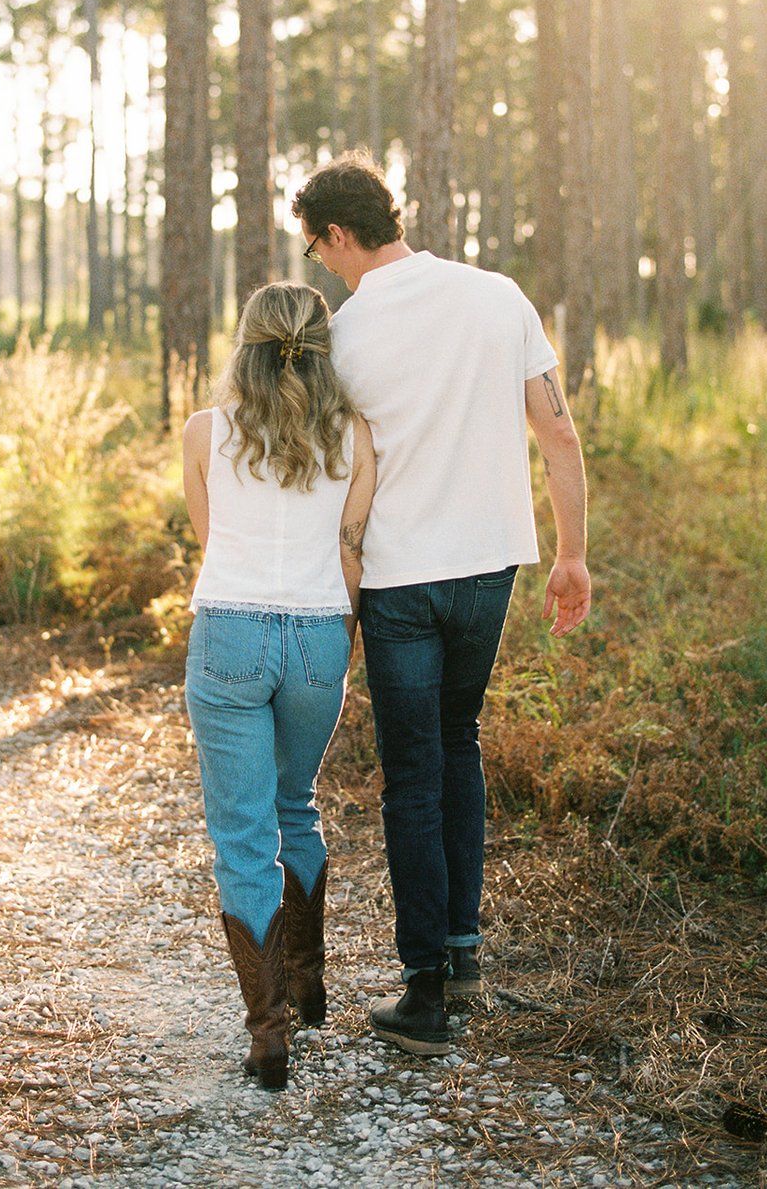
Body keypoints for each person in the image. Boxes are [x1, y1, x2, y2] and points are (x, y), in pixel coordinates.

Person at [292, 150, 590, 1057]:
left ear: (340, 234)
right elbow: (558, 429)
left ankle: (425, 992)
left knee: (412, 772)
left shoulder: (343, 336)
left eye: (317, 249)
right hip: (492, 563)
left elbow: (332, 476)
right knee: (459, 743)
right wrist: (573, 553)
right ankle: (462, 952)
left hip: (399, 576)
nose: (321, 264)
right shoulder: (498, 296)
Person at [181, 280, 375, 1090]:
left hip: (229, 627)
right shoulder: (355, 436)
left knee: (241, 831)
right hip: (318, 635)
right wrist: (341, 639)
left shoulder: (204, 431)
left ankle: (269, 1035)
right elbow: (352, 547)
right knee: (295, 804)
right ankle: (309, 980)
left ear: (246, 342)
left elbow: (208, 534)